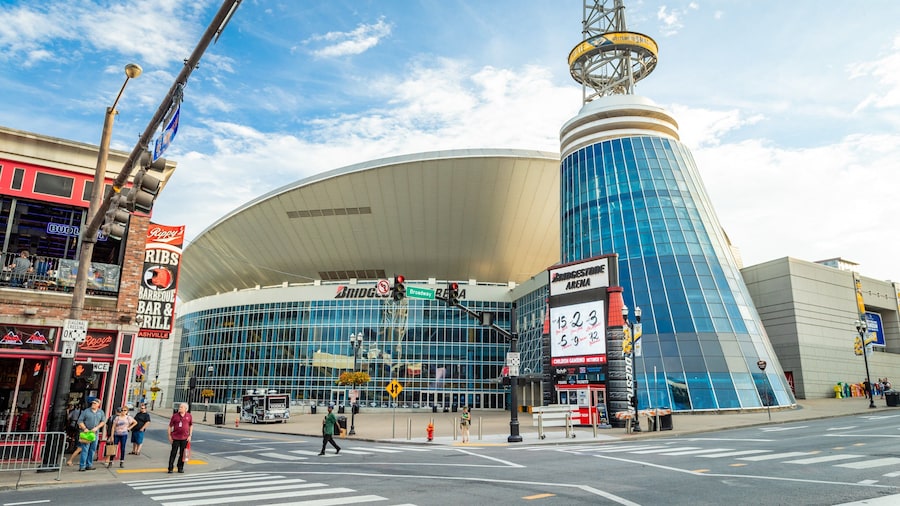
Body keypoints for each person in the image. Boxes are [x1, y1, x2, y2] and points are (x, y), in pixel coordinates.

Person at [76, 397, 106, 471]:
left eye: (95, 403)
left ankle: (89, 465)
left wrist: (97, 427)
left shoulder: (101, 412)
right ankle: (82, 466)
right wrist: (84, 428)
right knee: (85, 450)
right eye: (92, 403)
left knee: (92, 449)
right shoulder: (86, 411)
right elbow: (80, 421)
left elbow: (103, 421)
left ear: (98, 404)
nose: (93, 404)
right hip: (86, 433)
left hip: (95, 433)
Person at [167, 402, 193, 474]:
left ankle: (180, 467)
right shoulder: (175, 416)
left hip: (185, 438)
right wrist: (169, 435)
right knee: (173, 453)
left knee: (183, 454)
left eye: (181, 407)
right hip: (175, 437)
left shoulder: (189, 416)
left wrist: (190, 435)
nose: (180, 408)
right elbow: (170, 426)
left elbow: (191, 425)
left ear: (185, 409)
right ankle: (170, 468)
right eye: (180, 407)